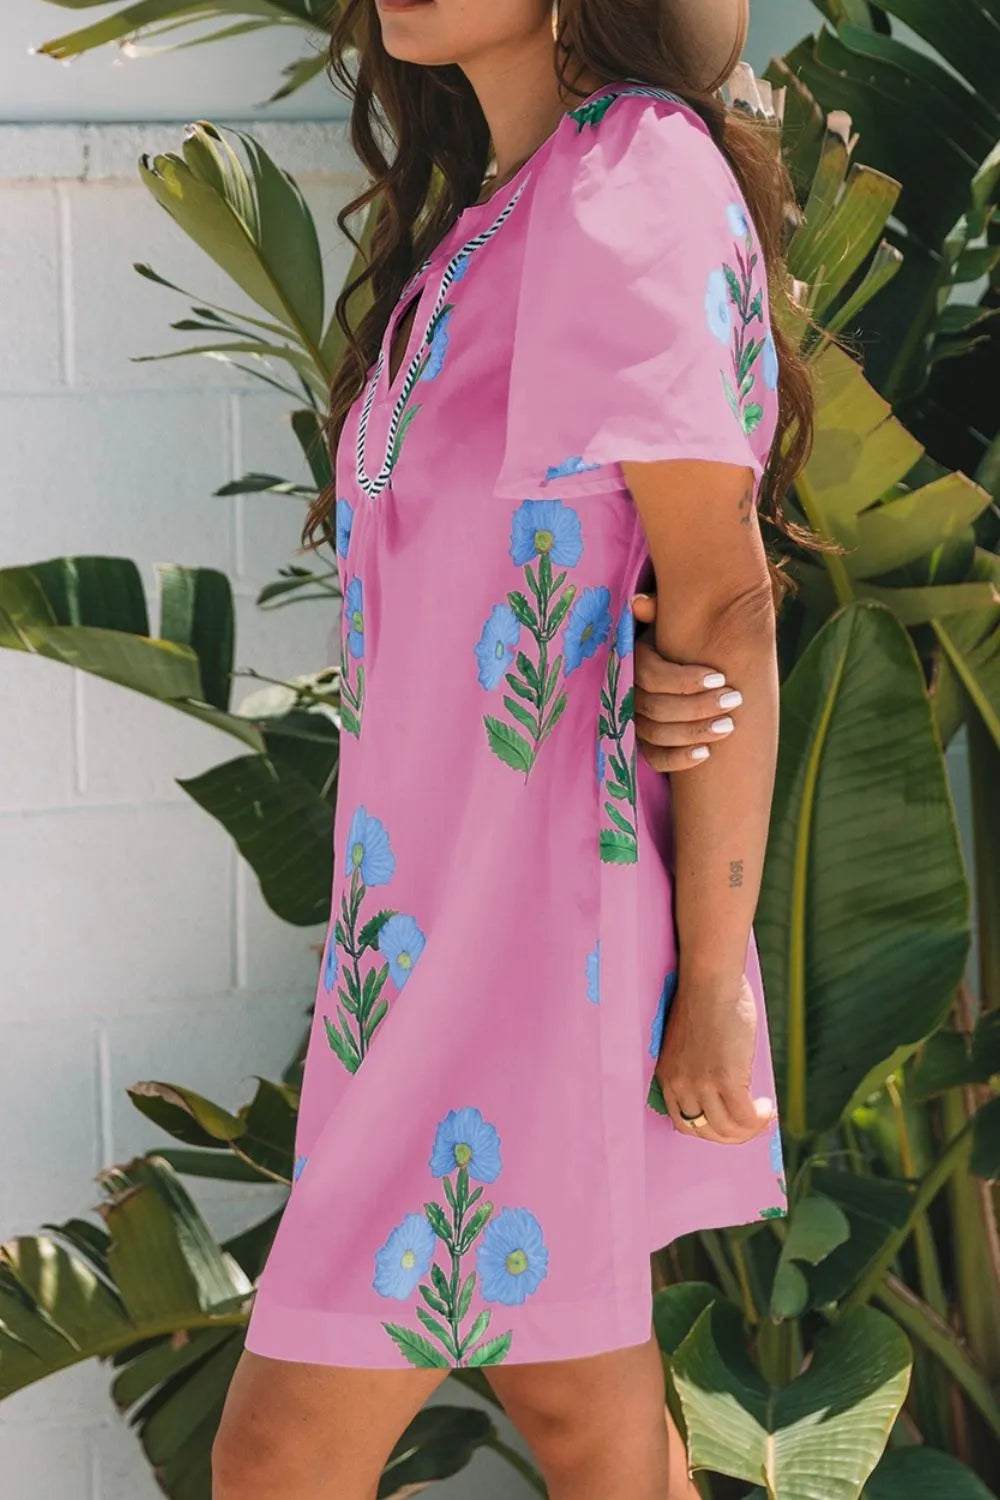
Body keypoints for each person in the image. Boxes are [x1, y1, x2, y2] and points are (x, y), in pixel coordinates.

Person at [213, 1, 814, 1497]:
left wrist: (714, 980)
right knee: (592, 1430)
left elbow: (723, 596)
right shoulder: (502, 210)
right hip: (421, 948)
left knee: (279, 1456)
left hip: (538, 947)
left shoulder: (633, 173)